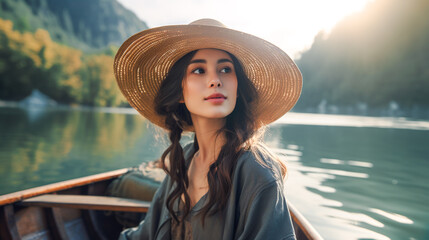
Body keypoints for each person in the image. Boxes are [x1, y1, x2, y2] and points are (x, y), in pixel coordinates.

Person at [114, 19, 302, 240]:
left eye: (225, 69)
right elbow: (144, 235)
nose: (214, 80)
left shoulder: (256, 171)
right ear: (179, 92)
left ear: (237, 88)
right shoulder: (183, 160)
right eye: (199, 70)